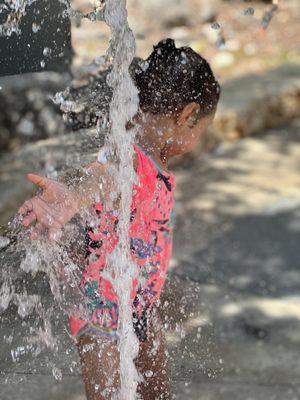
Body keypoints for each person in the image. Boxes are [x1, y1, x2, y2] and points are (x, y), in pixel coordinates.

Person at [18, 38, 220, 400]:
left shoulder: (147, 157)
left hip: (140, 305)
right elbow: (102, 176)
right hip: (102, 316)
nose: (197, 142)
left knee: (157, 392)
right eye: (200, 131)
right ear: (188, 116)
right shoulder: (130, 159)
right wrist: (74, 197)